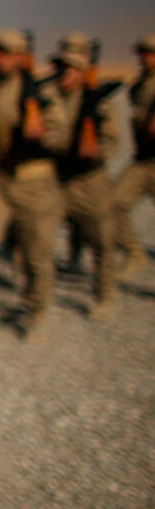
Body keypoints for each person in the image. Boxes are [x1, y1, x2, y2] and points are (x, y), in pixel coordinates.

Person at [0, 28, 67, 339]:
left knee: (36, 253)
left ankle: (36, 309)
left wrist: (42, 134)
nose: (0, 58)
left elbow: (62, 136)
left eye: (6, 52)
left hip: (34, 181)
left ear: (20, 57)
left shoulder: (41, 93)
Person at [50, 46, 118, 319]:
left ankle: (104, 296)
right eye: (59, 69)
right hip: (60, 179)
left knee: (102, 241)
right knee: (38, 235)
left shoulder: (97, 103)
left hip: (90, 181)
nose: (62, 74)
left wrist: (96, 151)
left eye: (69, 69)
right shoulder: (51, 100)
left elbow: (113, 140)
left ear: (80, 74)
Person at [113, 33, 155, 280]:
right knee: (114, 203)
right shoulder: (140, 84)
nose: (144, 57)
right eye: (142, 52)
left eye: (149, 52)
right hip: (143, 160)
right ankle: (134, 253)